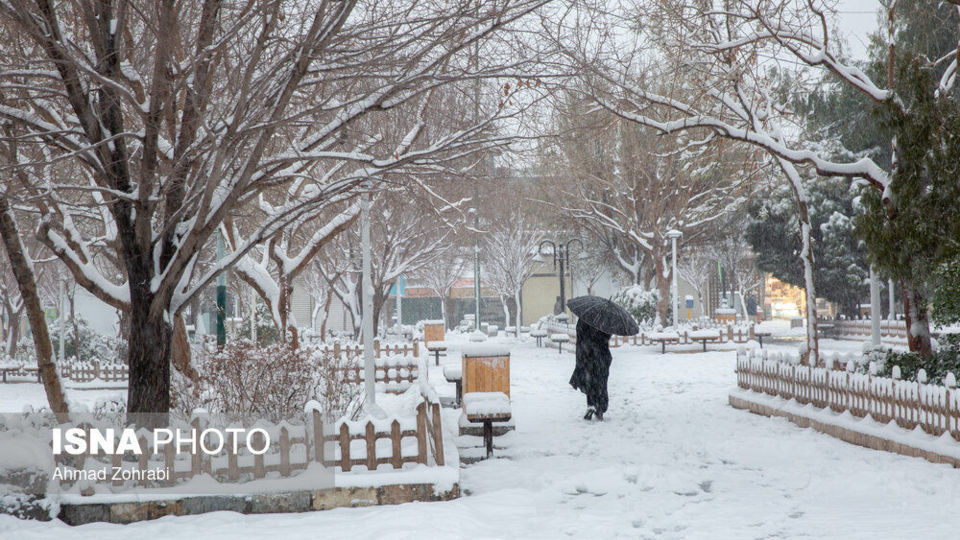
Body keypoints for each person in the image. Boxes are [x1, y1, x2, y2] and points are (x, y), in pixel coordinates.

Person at [569, 318, 612, 421]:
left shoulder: (584, 319)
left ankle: (591, 405)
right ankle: (600, 408)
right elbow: (607, 336)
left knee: (590, 382)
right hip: (601, 356)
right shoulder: (604, 320)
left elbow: (580, 334)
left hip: (587, 355)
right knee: (601, 383)